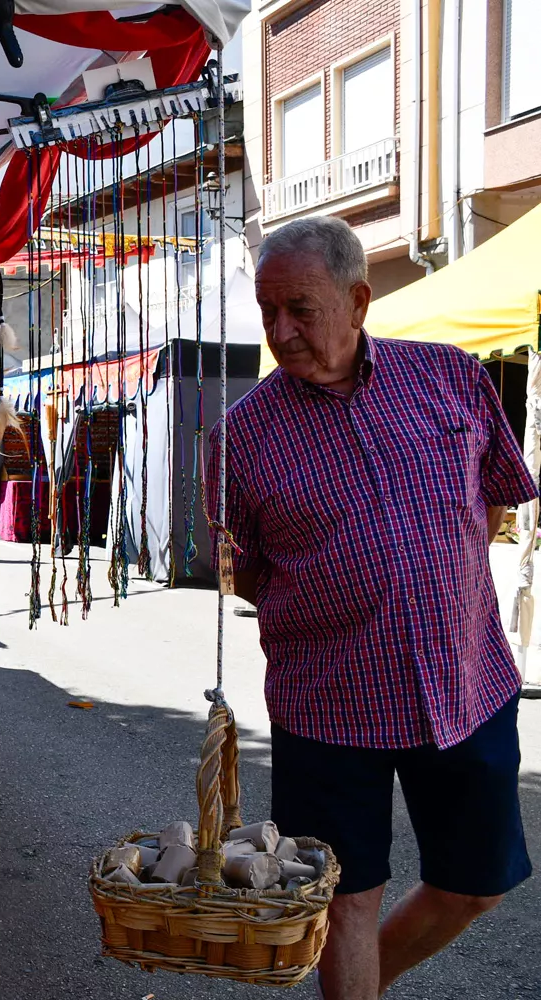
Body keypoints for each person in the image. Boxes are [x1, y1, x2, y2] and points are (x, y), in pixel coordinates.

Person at [207, 216, 534, 1000]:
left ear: (357, 301)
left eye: (301, 309)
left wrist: (426, 585)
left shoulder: (451, 377)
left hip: (466, 682)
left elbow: (492, 502)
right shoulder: (238, 437)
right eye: (267, 311)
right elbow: (240, 574)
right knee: (345, 903)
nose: (281, 331)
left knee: (476, 885)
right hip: (328, 706)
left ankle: (356, 985)